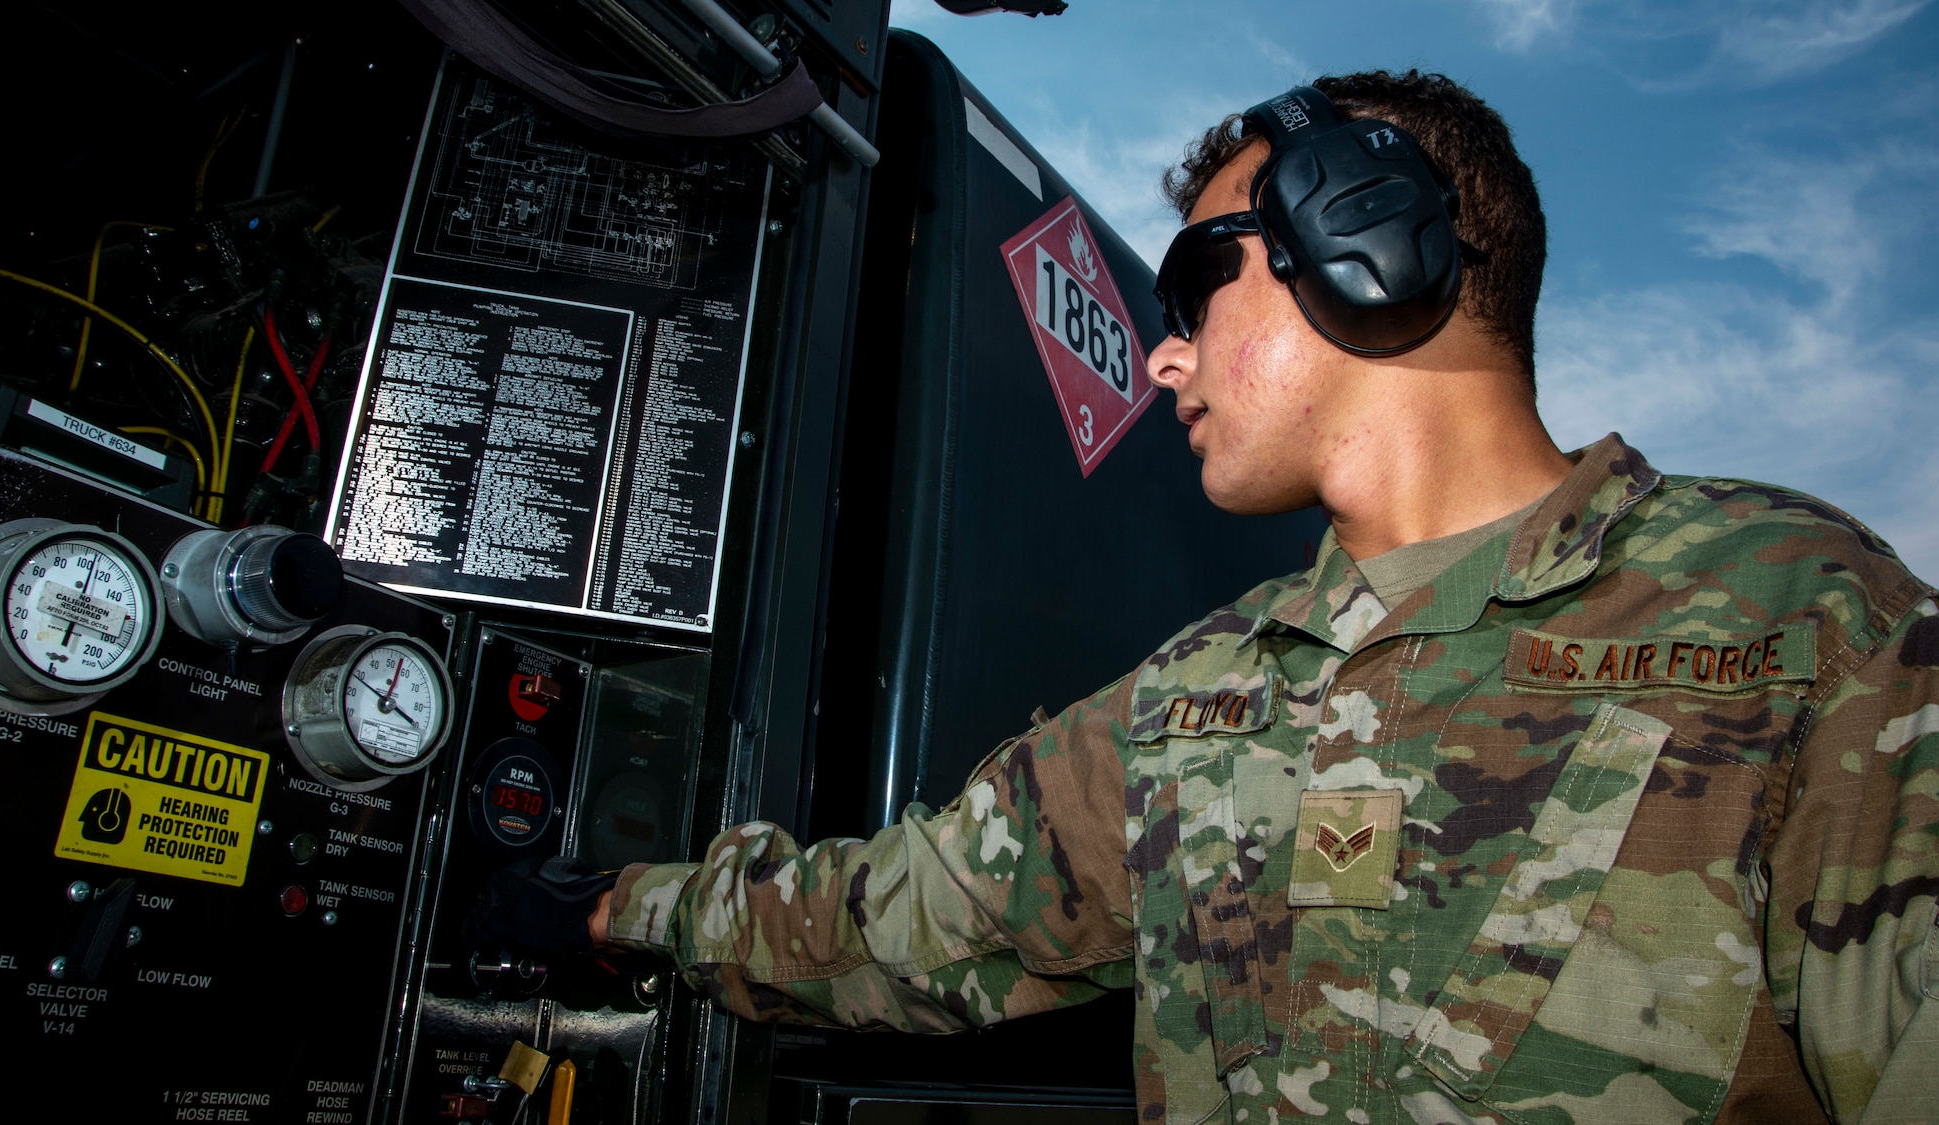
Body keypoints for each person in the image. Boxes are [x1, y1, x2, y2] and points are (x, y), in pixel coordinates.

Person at [472, 71, 1938, 1123]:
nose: (1165, 358)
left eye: (1197, 285)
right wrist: (621, 911)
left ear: (1362, 232)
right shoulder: (1197, 696)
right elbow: (892, 927)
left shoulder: (1799, 622)